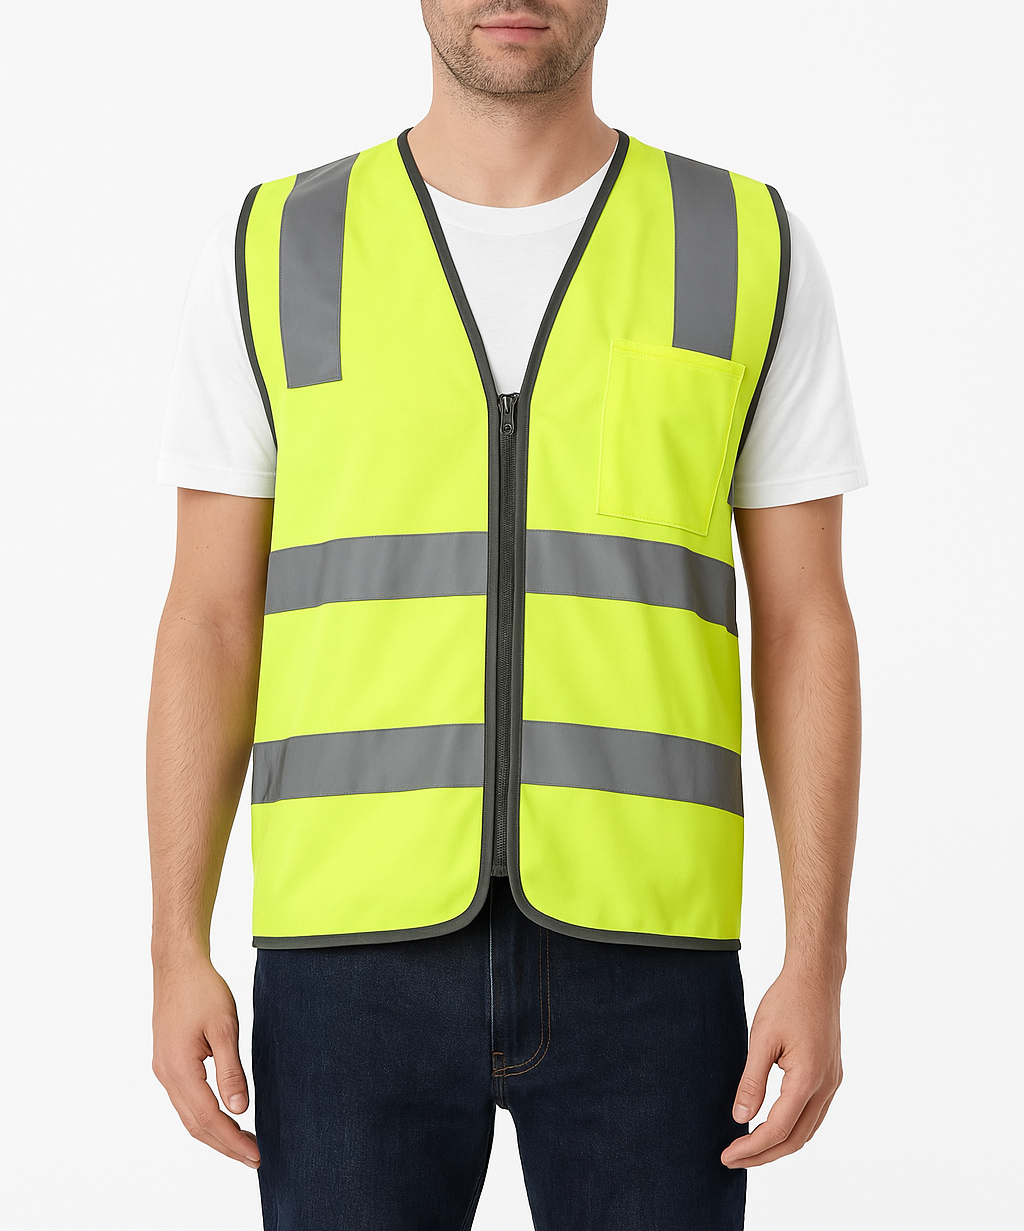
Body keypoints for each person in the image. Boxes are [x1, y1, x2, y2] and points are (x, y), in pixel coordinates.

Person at [147, 2, 866, 1227]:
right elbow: (210, 617)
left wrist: (818, 959)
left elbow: (807, 620)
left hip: (650, 952)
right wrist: (175, 944)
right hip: (345, 956)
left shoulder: (740, 241)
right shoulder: (278, 244)